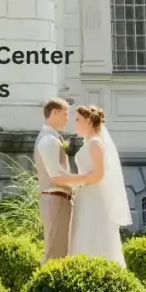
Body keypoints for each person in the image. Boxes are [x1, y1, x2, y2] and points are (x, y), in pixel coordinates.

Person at [51, 105, 132, 266]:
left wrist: (70, 179)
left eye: (78, 120)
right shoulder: (89, 142)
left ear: (88, 121)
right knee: (83, 234)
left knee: (93, 235)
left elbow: (99, 175)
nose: (75, 123)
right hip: (85, 195)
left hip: (94, 197)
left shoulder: (96, 143)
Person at [34, 97, 74, 263]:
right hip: (55, 198)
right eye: (65, 114)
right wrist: (81, 184)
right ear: (54, 112)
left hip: (58, 198)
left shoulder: (53, 138)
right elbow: (56, 175)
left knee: (62, 249)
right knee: (55, 252)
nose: (68, 119)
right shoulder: (48, 140)